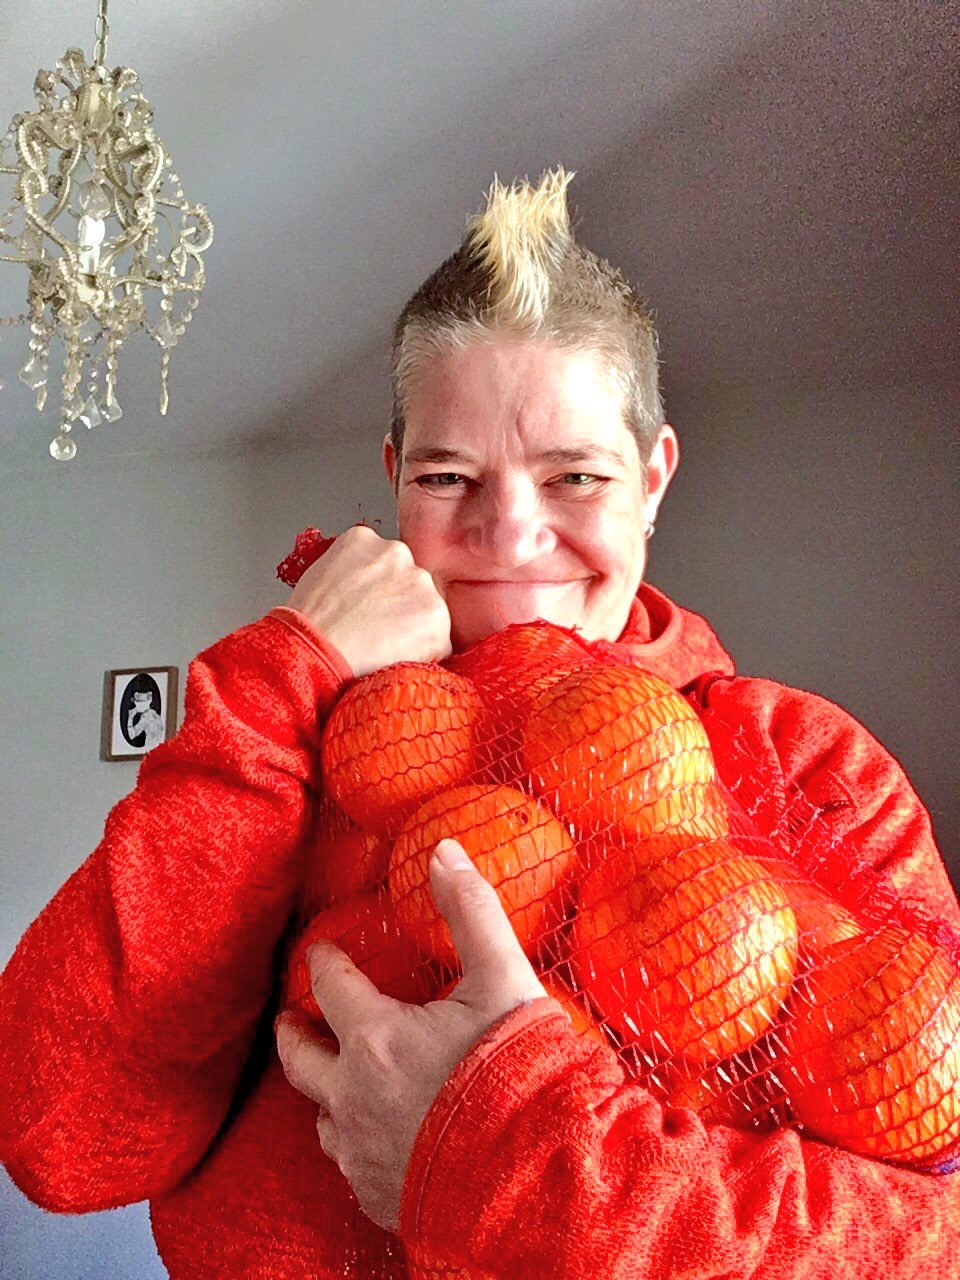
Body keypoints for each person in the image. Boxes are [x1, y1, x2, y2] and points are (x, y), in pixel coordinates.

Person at [0, 166, 957, 1279]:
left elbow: (926, 1237)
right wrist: (276, 678)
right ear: (395, 480)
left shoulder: (807, 763)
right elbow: (65, 1136)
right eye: (452, 474)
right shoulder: (299, 734)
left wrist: (494, 1154)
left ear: (653, 479)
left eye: (577, 476)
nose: (508, 538)